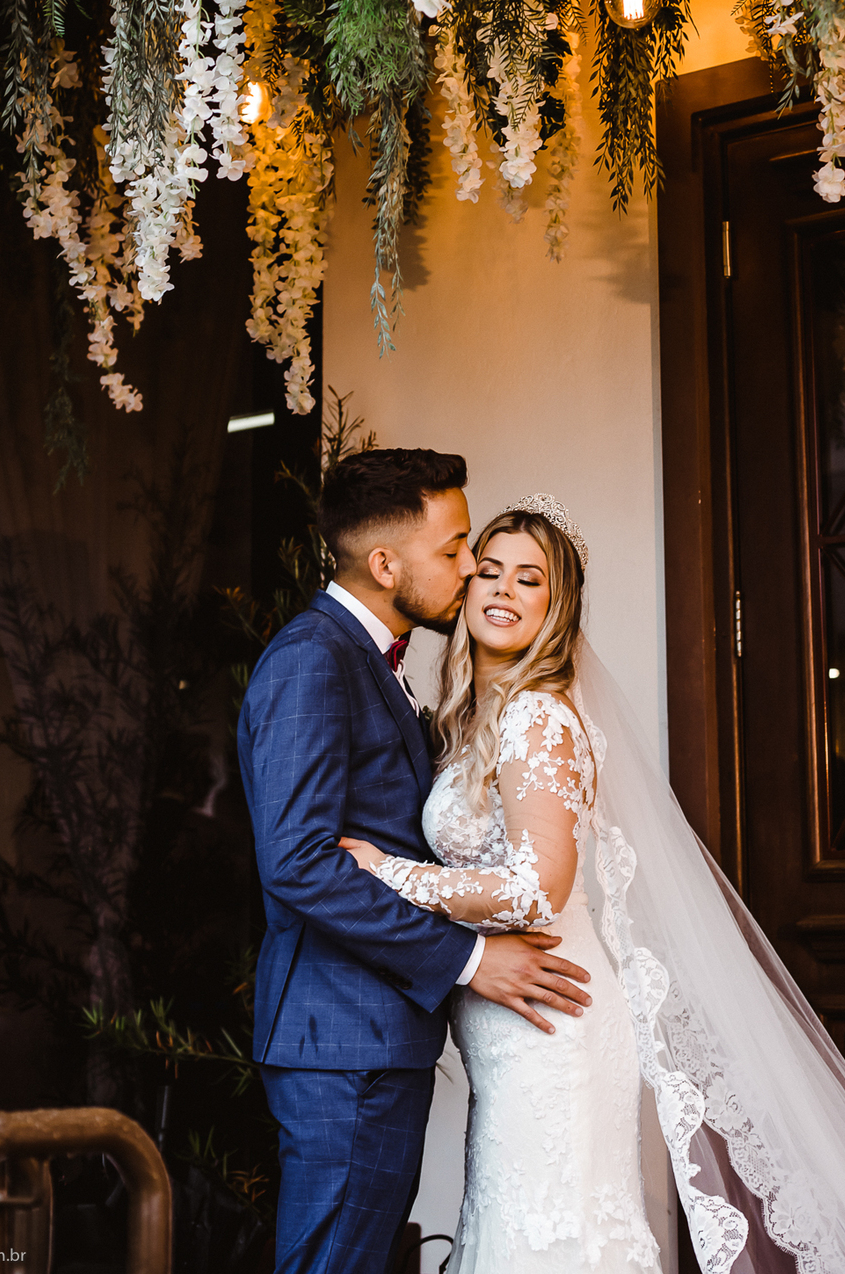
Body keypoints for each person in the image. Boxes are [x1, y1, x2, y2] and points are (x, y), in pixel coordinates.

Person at [341, 496, 845, 1274]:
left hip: (550, 1022)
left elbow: (538, 890)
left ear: (556, 607)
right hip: (512, 1024)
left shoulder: (535, 717)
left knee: (553, 1240)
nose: (503, 590)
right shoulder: (478, 718)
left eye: (529, 579)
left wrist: (389, 873)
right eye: (491, 571)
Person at [237, 452, 594, 1274]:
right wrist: (468, 960)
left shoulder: (380, 665)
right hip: (344, 1041)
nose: (471, 568)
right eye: (455, 548)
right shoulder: (314, 659)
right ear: (385, 564)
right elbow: (299, 864)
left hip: (374, 1035)